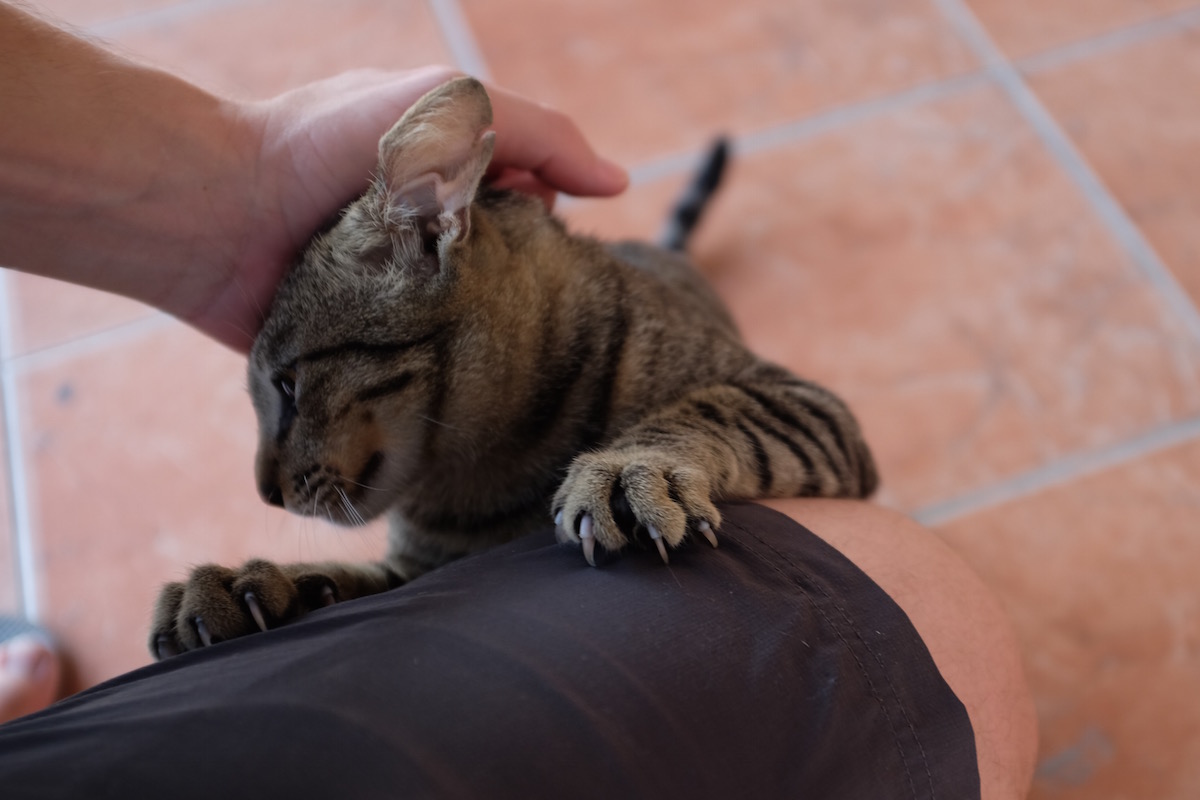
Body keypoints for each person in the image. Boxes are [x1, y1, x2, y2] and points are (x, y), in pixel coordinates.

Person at [0, 4, 1037, 798]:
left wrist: (677, 447)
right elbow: (435, 591)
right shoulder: (447, 450)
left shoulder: (633, 348)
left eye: (291, 392)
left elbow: (837, 445)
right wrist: (306, 594)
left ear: (424, 234)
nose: (275, 477)